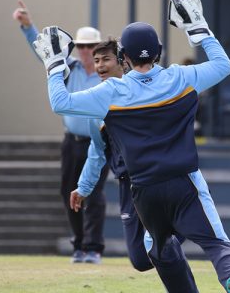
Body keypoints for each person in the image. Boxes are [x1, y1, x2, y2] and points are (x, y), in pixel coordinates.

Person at [33, 0, 230, 292]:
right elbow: (223, 65)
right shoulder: (181, 79)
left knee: (160, 250)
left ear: (123, 57)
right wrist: (198, 28)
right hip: (184, 182)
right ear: (159, 52)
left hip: (144, 189)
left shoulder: (112, 93)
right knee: (218, 244)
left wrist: (54, 64)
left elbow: (60, 103)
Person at [71, 39, 191, 280]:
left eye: (106, 59)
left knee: (162, 246)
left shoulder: (142, 92)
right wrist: (83, 187)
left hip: (158, 177)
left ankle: (185, 229)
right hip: (128, 185)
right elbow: (97, 152)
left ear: (123, 61)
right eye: (96, 61)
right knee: (140, 259)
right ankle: (171, 241)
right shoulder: (98, 105)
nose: (100, 65)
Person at [13, 0, 109, 264]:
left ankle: (93, 247)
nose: (86, 50)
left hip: (98, 142)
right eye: (81, 46)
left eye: (91, 46)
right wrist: (28, 27)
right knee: (68, 190)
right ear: (76, 48)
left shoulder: (105, 72)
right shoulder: (71, 68)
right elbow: (46, 56)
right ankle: (79, 244)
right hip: (72, 141)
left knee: (95, 194)